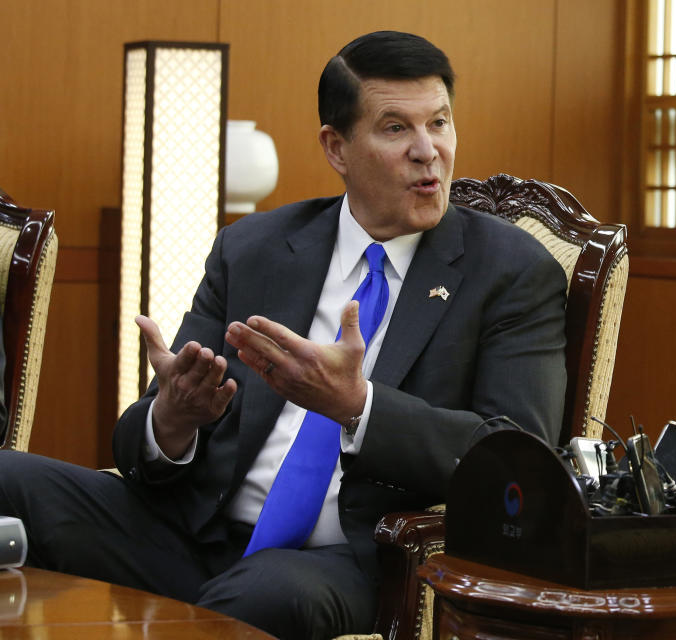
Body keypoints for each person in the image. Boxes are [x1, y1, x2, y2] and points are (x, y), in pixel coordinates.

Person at [0, 31, 567, 639]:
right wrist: (173, 419)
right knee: (10, 480)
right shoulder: (255, 250)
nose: (429, 152)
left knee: (267, 594)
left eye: (440, 123)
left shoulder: (510, 272)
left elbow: (519, 460)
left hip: (345, 561)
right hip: (199, 532)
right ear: (336, 146)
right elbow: (143, 449)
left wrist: (359, 407)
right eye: (396, 128)